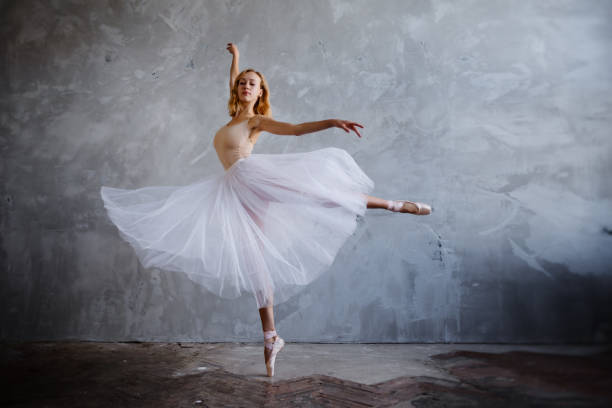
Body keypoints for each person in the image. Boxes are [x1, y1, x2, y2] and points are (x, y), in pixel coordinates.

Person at [100, 42, 432, 377]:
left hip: (253, 177)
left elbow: (296, 129)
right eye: (242, 82)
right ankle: (271, 336)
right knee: (255, 259)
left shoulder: (257, 121)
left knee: (320, 194)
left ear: (260, 93)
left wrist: (332, 121)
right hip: (236, 191)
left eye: (252, 84)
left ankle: (395, 204)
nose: (245, 85)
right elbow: (233, 79)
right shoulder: (233, 117)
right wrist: (237, 59)